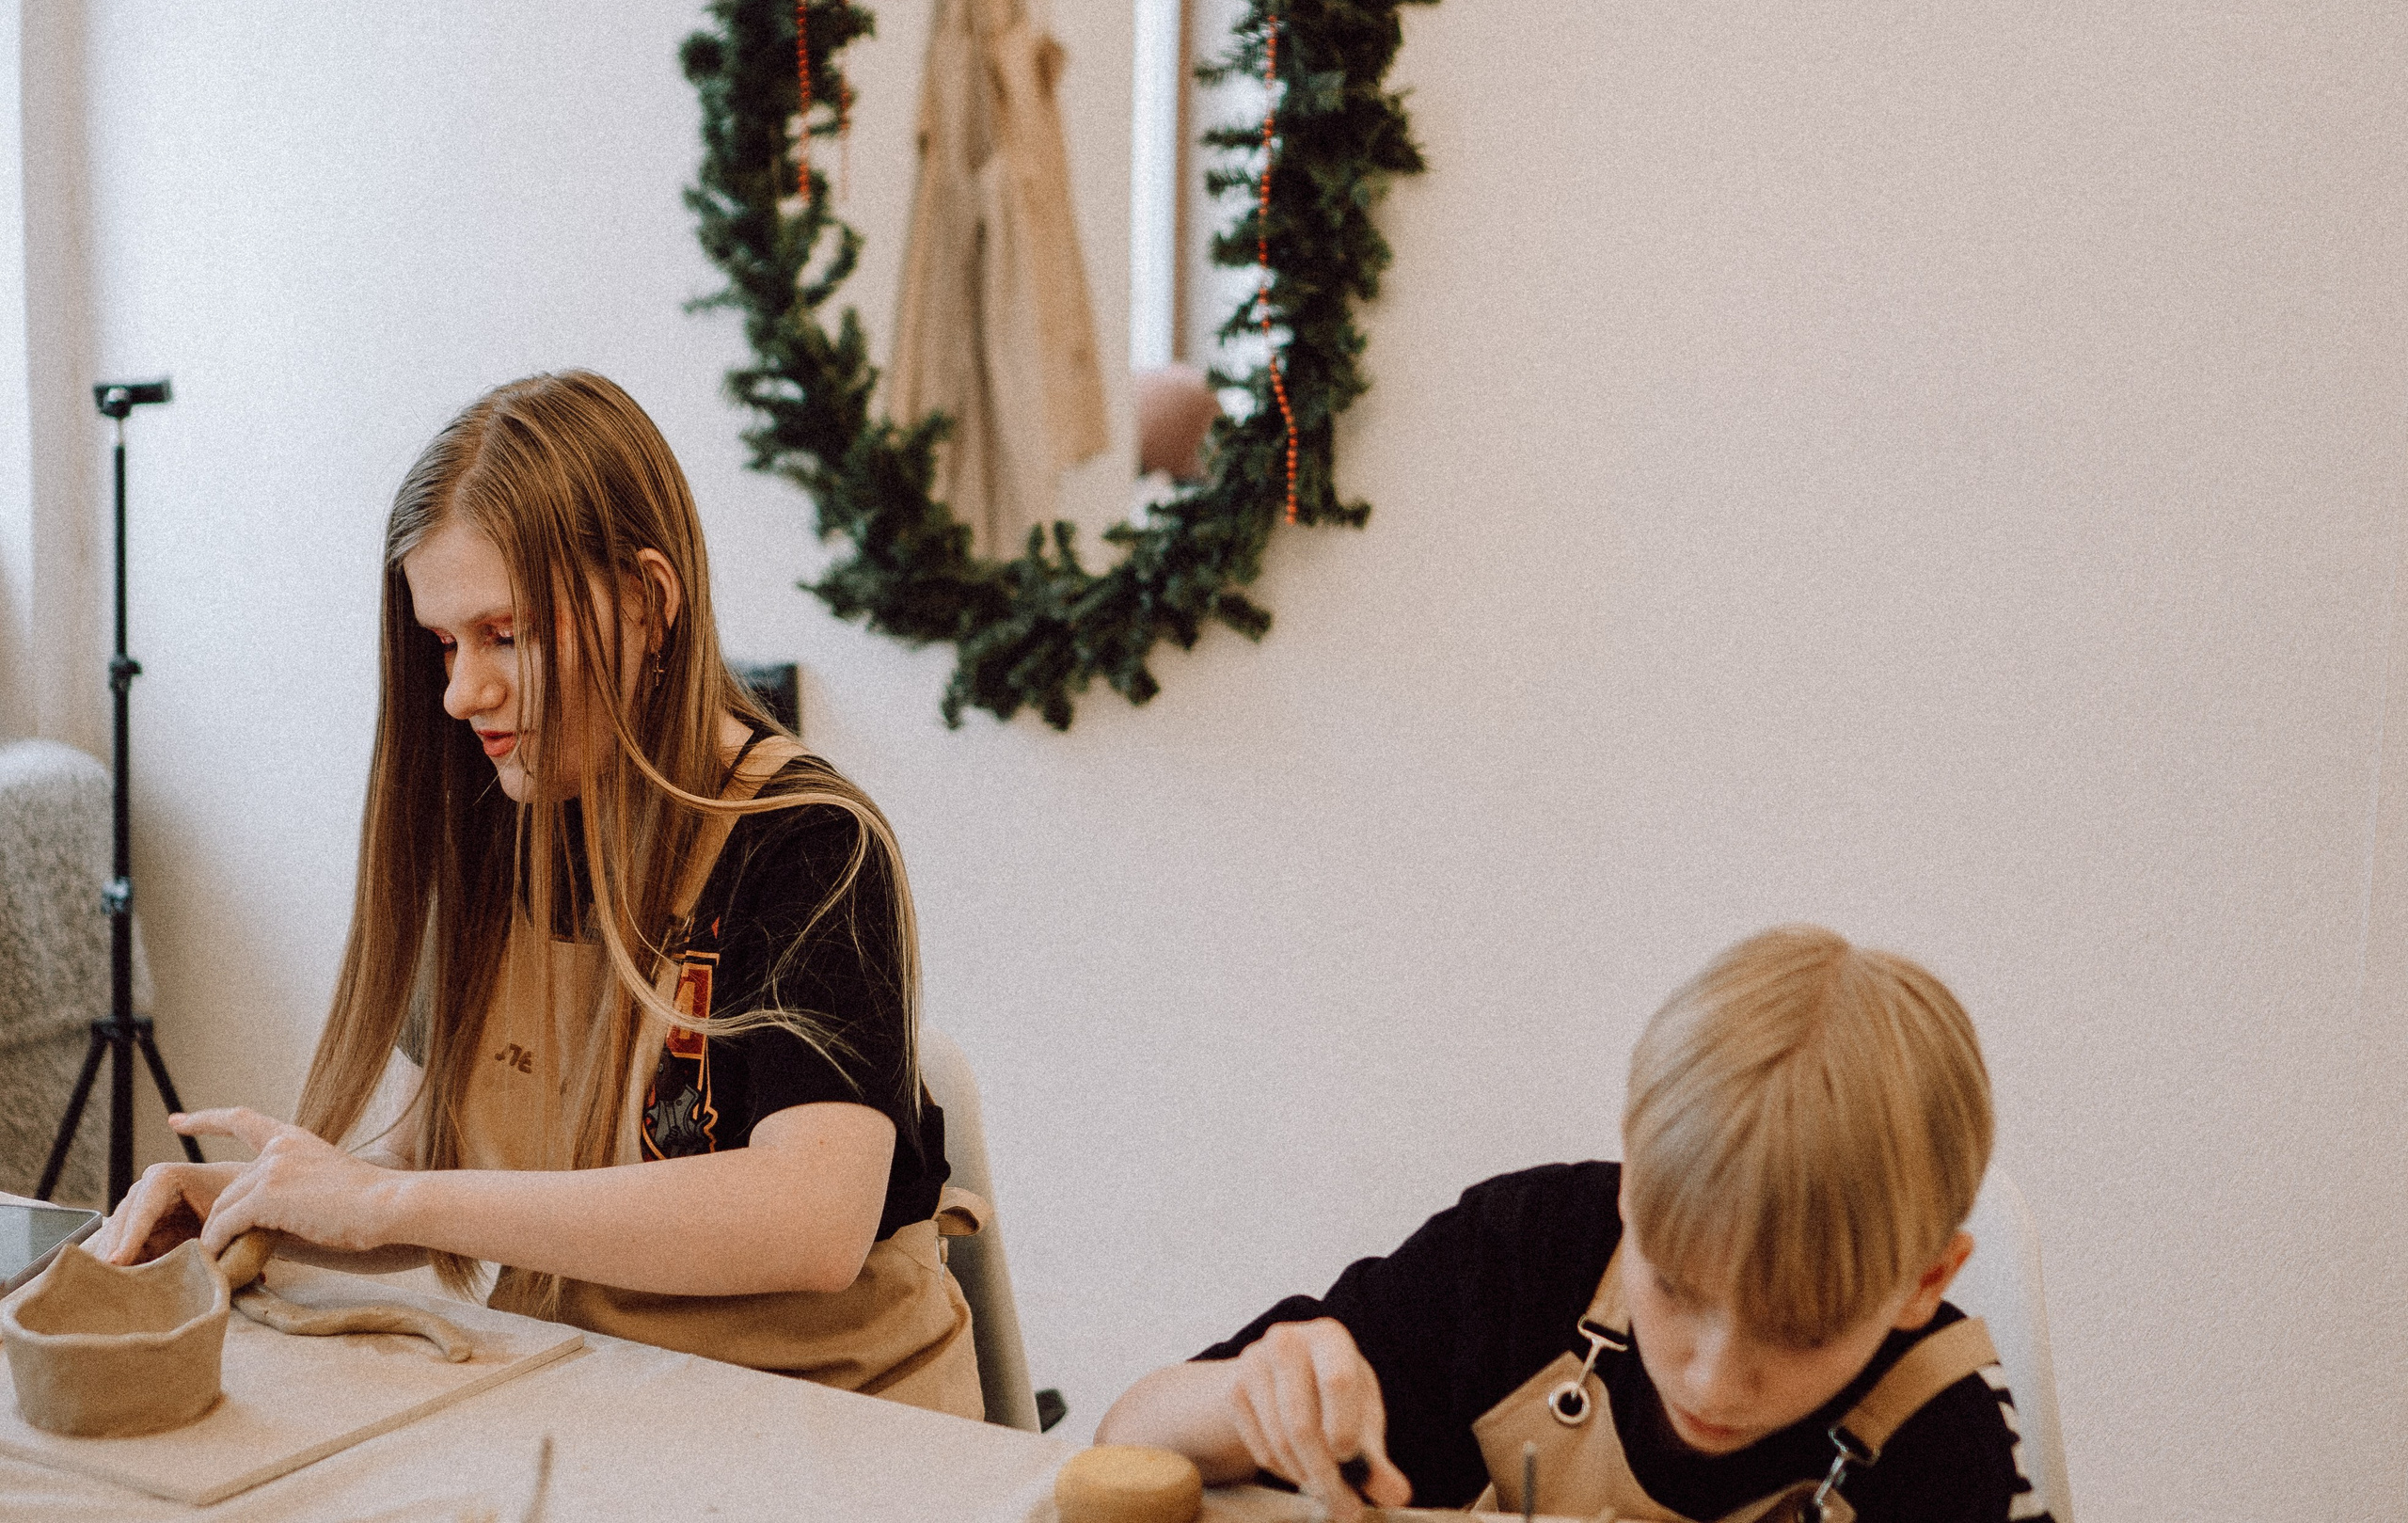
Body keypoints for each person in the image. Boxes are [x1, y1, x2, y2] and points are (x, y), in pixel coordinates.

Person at [94, 370, 983, 1418]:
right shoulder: (491, 830)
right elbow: (450, 1160)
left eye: (505, 634)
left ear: (652, 602)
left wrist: (387, 1202)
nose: (462, 693)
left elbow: (811, 1217)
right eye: (445, 644)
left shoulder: (810, 845)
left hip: (835, 1427)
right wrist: (280, 1204)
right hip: (597, 1406)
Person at [1095, 927, 2053, 1522]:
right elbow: (1125, 1445)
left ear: (1924, 1284)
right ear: (1629, 1197)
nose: (1713, 1376)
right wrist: (1244, 1403)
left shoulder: (1944, 1437)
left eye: (1799, 1330)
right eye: (1674, 1286)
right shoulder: (1520, 1257)